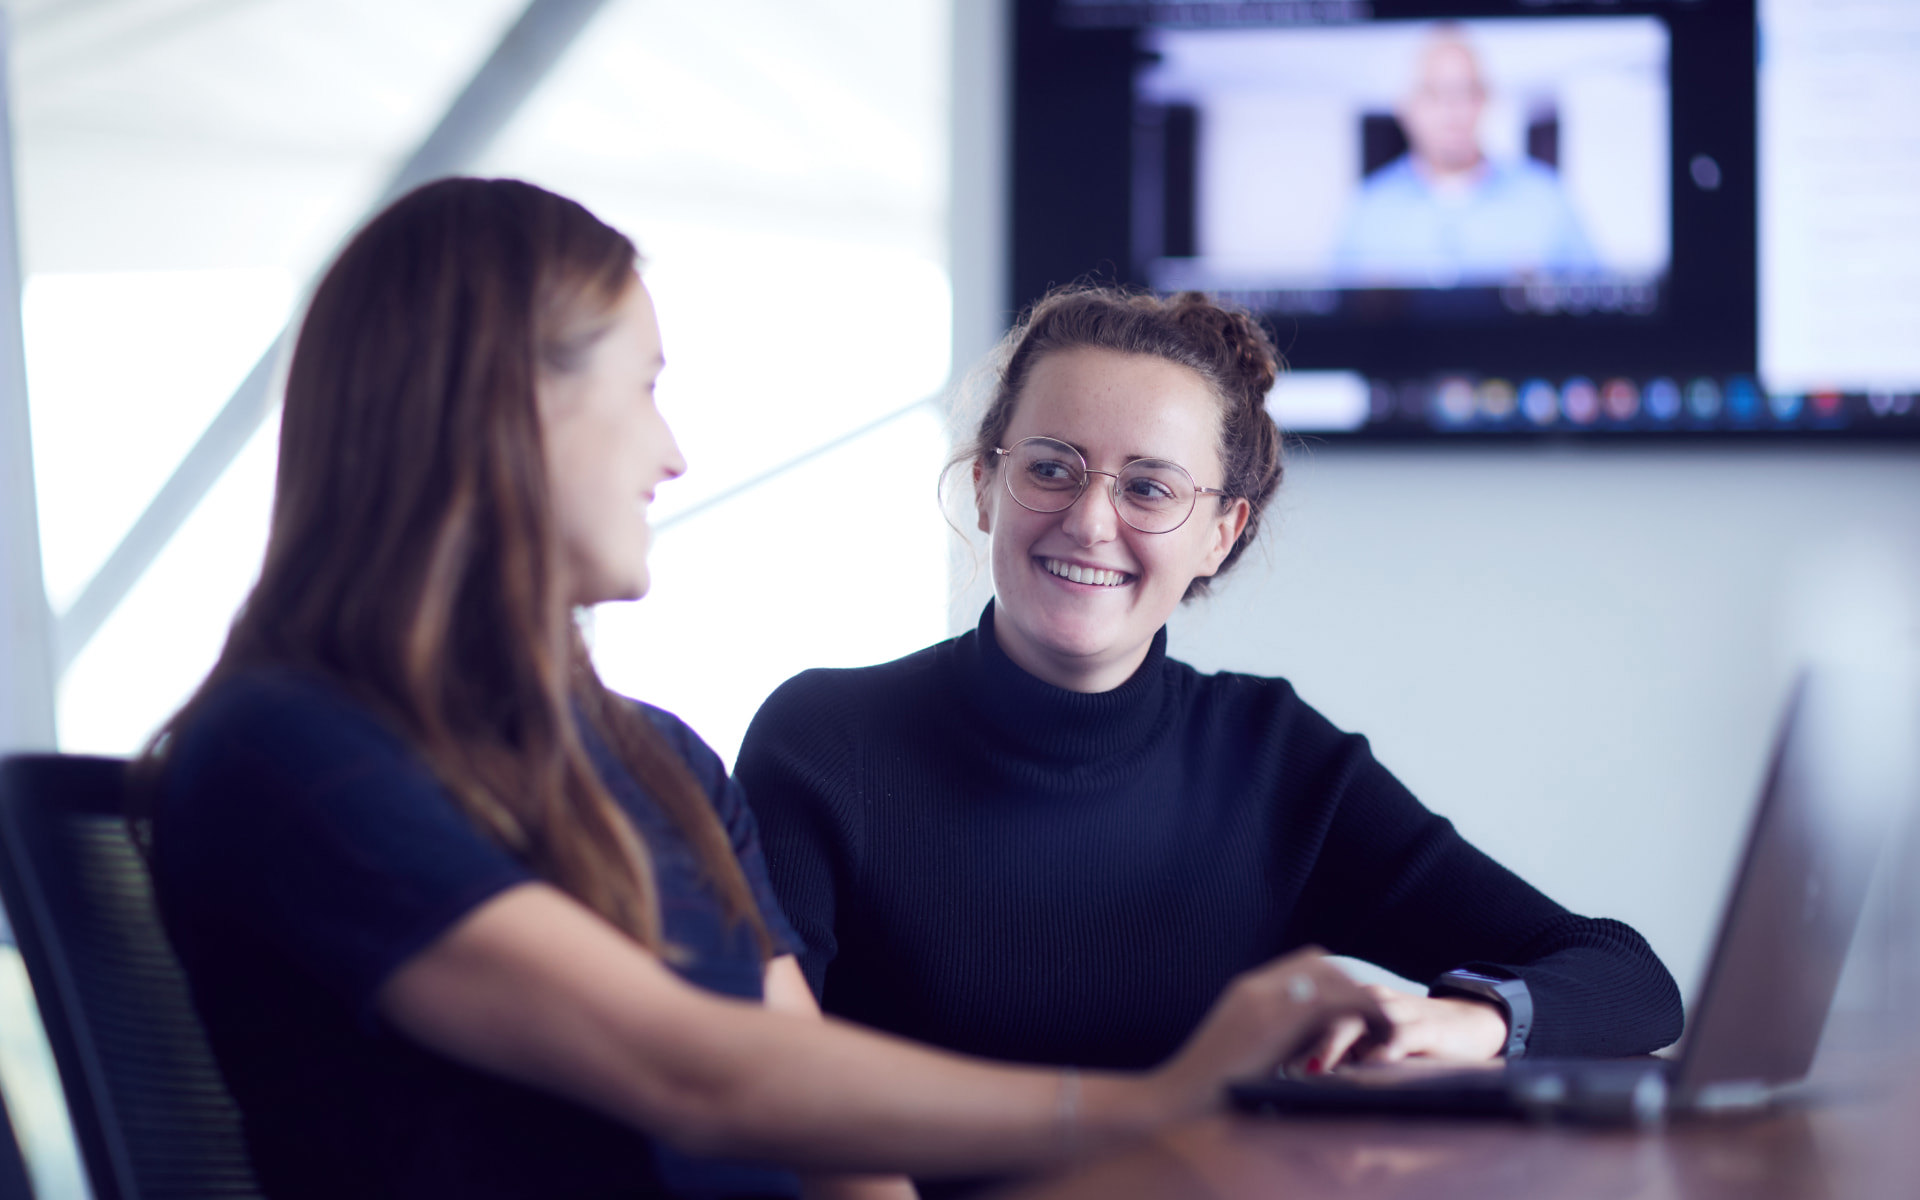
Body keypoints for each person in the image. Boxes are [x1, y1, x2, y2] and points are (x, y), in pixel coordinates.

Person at [142, 181, 1388, 1200]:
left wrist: (1228, 1154)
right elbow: (704, 1078)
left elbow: (815, 1112)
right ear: (506, 404)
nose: (671, 451)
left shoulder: (655, 762)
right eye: (641, 386)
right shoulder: (295, 754)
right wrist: (1167, 1100)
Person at [736, 287, 1685, 1135]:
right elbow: (766, 1087)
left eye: (1150, 487)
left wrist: (1467, 1019)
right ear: (987, 483)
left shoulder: (1275, 760)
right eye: (1052, 467)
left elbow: (1627, 978)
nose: (1091, 519)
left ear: (1220, 535)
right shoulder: (824, 743)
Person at [1332, 27, 1598, 285]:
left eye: (1465, 92)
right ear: (1406, 107)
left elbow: (1603, 312)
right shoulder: (1368, 211)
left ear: (1485, 99)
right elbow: (1331, 320)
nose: (1451, 110)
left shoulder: (1546, 200)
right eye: (1434, 93)